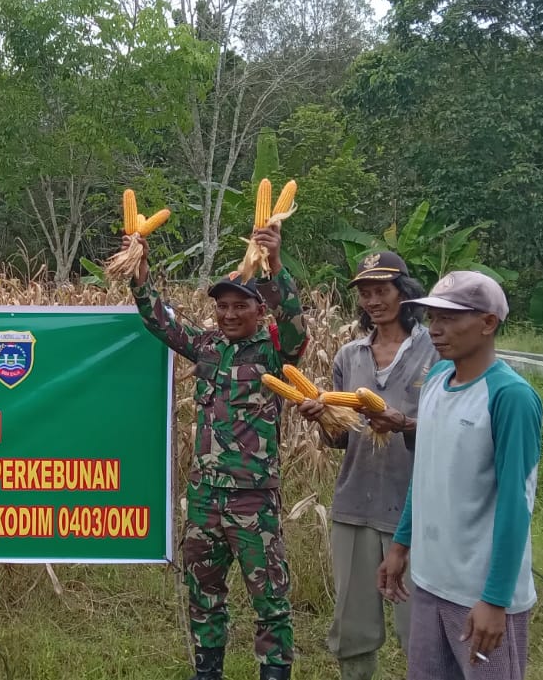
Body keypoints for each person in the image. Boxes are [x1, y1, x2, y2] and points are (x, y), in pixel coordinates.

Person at [125, 223, 307, 680]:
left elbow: (295, 328)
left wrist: (275, 265)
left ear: (257, 309)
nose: (227, 314)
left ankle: (274, 672)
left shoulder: (273, 353)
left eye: (239, 306)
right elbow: (159, 320)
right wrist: (140, 270)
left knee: (269, 601)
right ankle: (208, 672)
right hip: (205, 499)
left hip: (252, 500)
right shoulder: (208, 349)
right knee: (204, 596)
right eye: (222, 306)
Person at [375, 271, 543, 680]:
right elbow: (426, 472)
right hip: (430, 581)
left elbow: (515, 504)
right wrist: (400, 545)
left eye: (449, 319)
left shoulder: (510, 396)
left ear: (488, 323)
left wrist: (496, 599)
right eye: (432, 318)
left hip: (479, 594)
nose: (435, 330)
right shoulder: (435, 380)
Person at [296, 252, 437, 680]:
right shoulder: (349, 355)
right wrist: (323, 419)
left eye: (383, 291)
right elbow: (341, 440)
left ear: (404, 293)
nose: (374, 301)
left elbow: (456, 430)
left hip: (415, 508)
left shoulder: (436, 349)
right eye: (366, 294)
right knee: (353, 625)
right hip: (355, 504)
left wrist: (405, 423)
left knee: (420, 628)